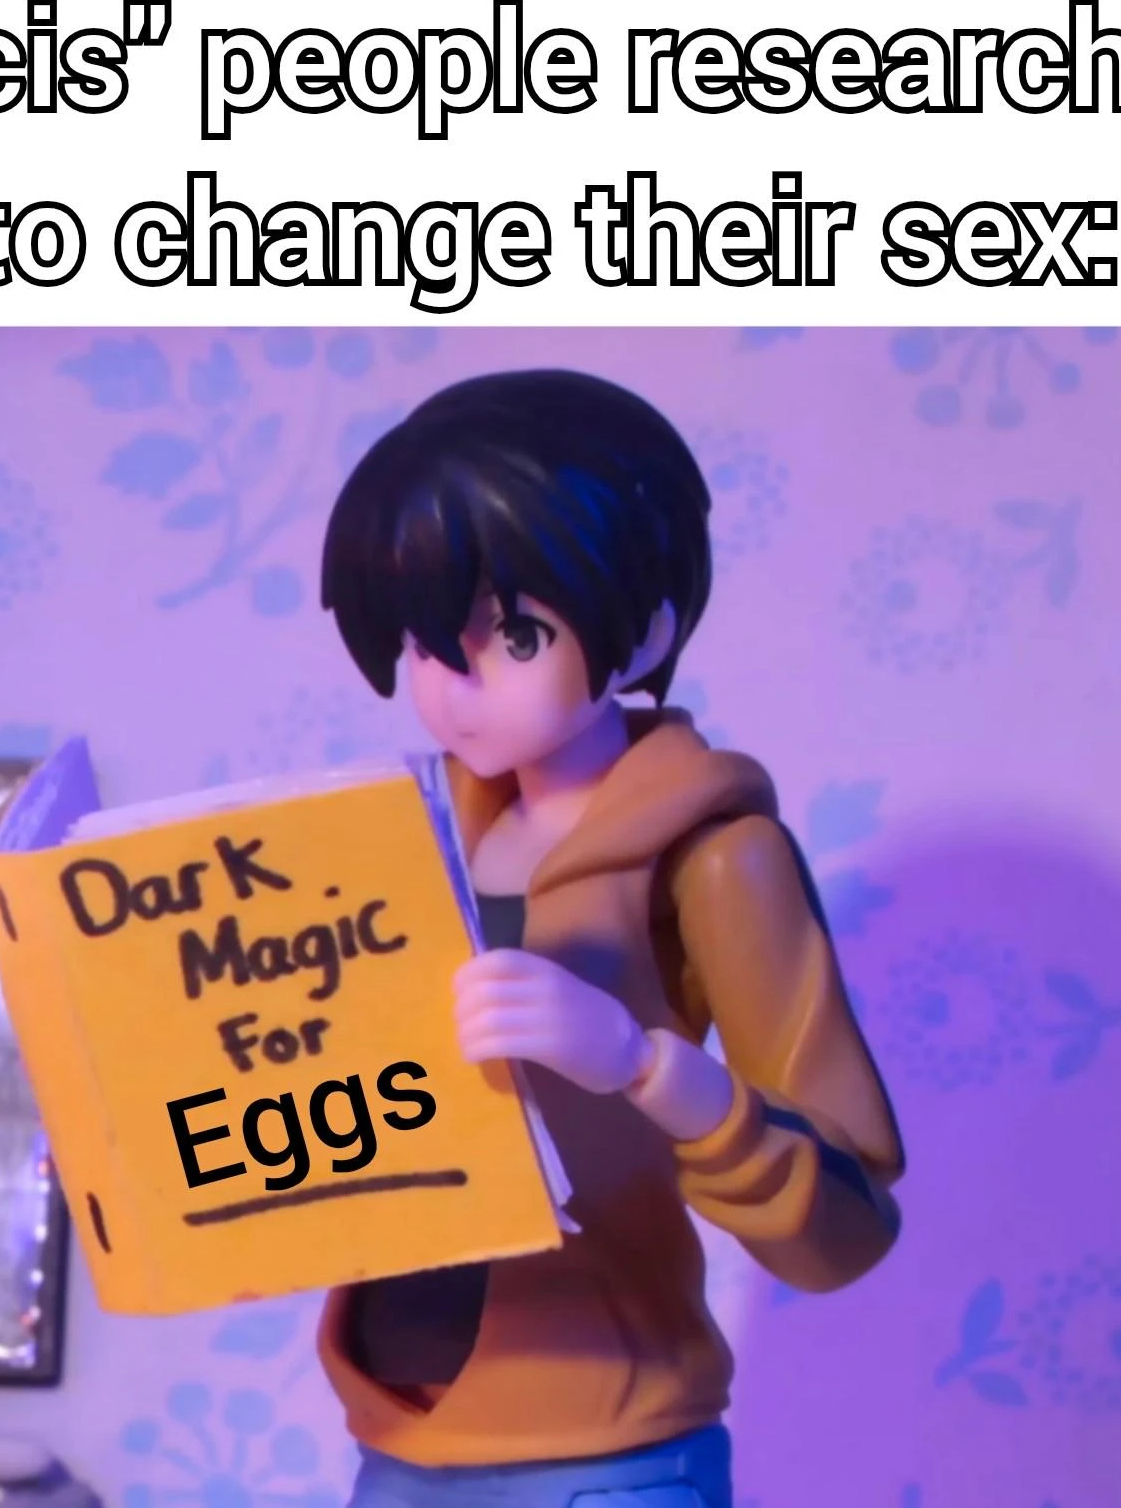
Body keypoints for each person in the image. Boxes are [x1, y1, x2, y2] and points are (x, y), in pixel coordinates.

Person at [317, 368, 906, 1508]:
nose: (456, 686)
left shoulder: (715, 860)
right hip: (402, 1425)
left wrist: (642, 1064)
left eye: (516, 635)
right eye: (429, 645)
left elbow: (846, 1219)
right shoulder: (410, 844)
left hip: (608, 1443)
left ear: (647, 628)